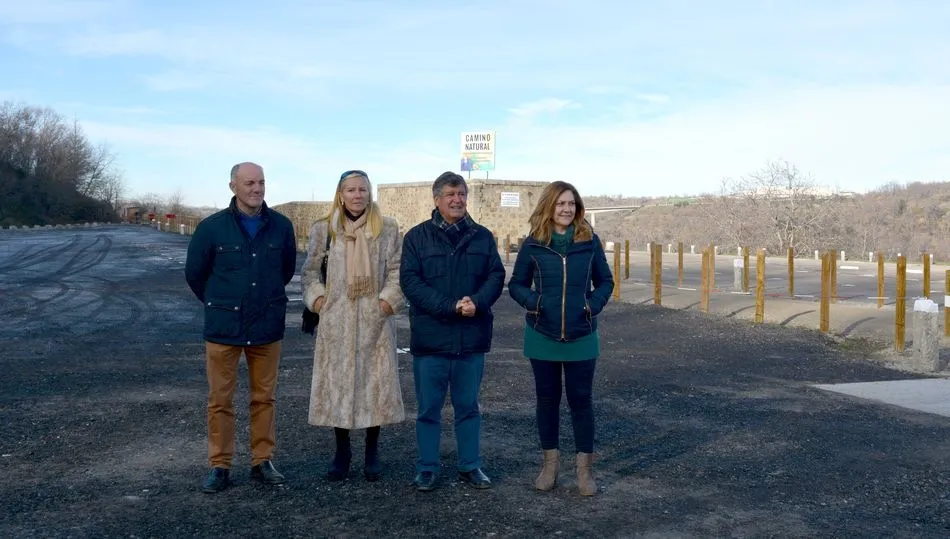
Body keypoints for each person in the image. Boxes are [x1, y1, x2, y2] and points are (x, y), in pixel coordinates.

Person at [184, 162, 297, 493]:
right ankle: (220, 466)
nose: (257, 189)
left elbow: (286, 270)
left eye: (261, 182)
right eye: (249, 183)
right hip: (224, 327)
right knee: (220, 399)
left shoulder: (281, 227)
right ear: (233, 186)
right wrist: (219, 302)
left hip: (266, 324)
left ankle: (262, 461)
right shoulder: (211, 228)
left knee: (265, 398)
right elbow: (195, 274)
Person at [399, 171, 505, 492]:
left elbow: (496, 276)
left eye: (461, 194)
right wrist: (450, 306)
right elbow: (411, 283)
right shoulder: (416, 238)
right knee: (428, 410)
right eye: (450, 194)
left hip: (471, 339)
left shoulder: (483, 237)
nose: (457, 199)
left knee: (468, 407)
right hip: (431, 341)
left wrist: (478, 302)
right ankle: (427, 467)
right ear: (437, 200)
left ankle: (470, 465)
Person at [506, 181, 613, 496]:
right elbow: (516, 285)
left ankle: (584, 472)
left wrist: (591, 307)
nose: (566, 209)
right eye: (560, 203)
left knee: (581, 402)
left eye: (571, 203)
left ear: (578, 207)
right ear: (549, 206)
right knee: (547, 401)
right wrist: (536, 303)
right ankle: (550, 467)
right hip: (542, 334)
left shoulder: (589, 241)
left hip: (582, 334)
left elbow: (605, 282)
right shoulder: (534, 243)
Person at [300, 170, 406, 482]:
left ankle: (372, 449)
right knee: (339, 383)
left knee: (374, 383)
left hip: (375, 320)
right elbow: (308, 272)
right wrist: (318, 301)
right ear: (341, 194)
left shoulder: (386, 228)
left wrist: (387, 301)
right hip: (337, 321)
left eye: (363, 189)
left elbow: (399, 270)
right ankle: (342, 449)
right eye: (351, 189)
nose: (357, 195)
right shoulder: (325, 229)